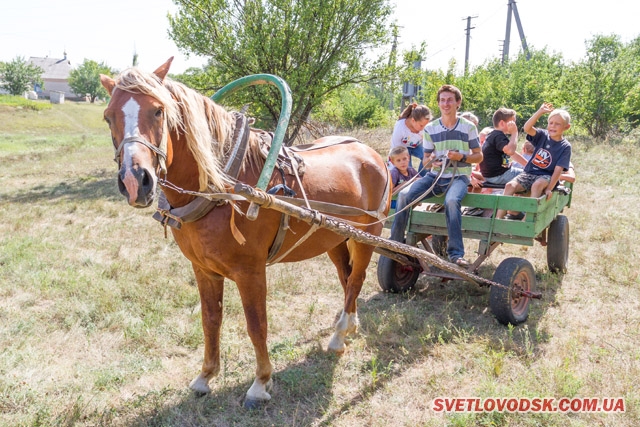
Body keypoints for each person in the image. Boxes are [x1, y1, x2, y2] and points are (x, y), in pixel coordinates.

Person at [390, 85, 483, 267]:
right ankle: (395, 242)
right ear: (439, 103)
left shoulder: (468, 127)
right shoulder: (430, 128)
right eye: (442, 100)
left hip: (459, 177)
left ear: (458, 103)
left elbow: (479, 155)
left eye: (449, 100)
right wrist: (432, 160)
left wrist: (461, 157)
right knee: (403, 195)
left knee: (451, 200)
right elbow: (425, 159)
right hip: (435, 177)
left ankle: (456, 253)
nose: (445, 104)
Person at [496, 102, 572, 219]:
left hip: (546, 176)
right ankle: (498, 220)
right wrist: (540, 112)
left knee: (537, 186)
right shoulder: (542, 135)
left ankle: (527, 223)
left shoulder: (565, 146)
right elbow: (527, 128)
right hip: (529, 172)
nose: (553, 126)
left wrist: (548, 189)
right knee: (510, 185)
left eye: (557, 124)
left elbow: (558, 170)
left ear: (566, 127)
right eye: (551, 123)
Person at [478, 107, 528, 186]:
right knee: (532, 177)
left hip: (491, 175)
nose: (515, 125)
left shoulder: (493, 135)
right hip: (499, 175)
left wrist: (528, 165)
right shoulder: (498, 135)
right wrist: (514, 133)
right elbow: (510, 151)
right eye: (513, 122)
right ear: (502, 123)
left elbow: (513, 154)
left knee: (529, 172)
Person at [390, 103, 432, 174]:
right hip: (402, 148)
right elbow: (395, 149)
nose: (424, 128)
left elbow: (429, 144)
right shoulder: (400, 128)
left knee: (429, 158)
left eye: (426, 125)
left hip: (417, 145)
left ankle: (421, 179)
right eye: (421, 125)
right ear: (413, 120)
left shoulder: (424, 127)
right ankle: (409, 181)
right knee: (406, 167)